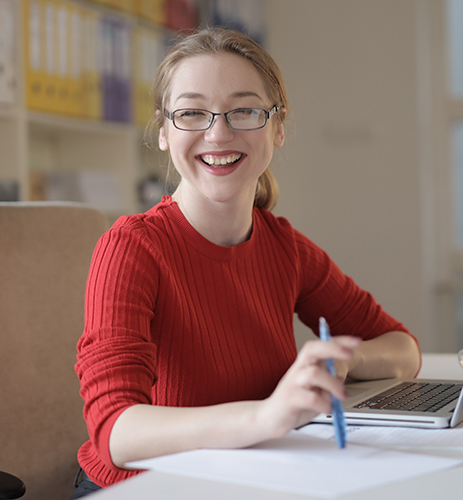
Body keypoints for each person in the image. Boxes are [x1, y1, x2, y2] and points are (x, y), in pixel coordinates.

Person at [71, 27, 421, 497]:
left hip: (245, 480)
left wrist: (342, 360)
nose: (218, 132)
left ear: (276, 127)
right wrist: (267, 416)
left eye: (244, 111)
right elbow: (116, 434)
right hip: (147, 488)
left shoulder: (284, 247)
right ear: (163, 132)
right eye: (192, 112)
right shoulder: (132, 248)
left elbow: (404, 350)